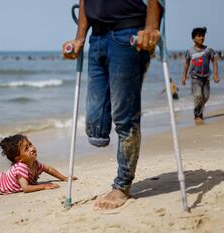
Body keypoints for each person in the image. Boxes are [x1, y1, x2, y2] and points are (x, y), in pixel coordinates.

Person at [62, 0, 162, 210]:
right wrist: (80, 37)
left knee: (125, 117)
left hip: (128, 32)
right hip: (96, 37)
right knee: (95, 127)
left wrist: (152, 26)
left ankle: (122, 185)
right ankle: (104, 140)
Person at [182, 27, 219, 125]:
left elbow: (214, 60)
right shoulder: (190, 51)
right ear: (193, 38)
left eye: (203, 36)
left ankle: (200, 110)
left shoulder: (208, 50)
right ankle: (197, 115)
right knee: (198, 96)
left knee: (205, 97)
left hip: (206, 77)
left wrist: (215, 74)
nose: (201, 38)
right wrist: (184, 76)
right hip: (195, 78)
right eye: (199, 36)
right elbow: (186, 63)